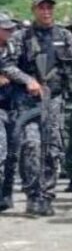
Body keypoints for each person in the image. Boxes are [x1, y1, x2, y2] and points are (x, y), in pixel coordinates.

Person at [1, 0, 72, 216]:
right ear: (34, 10)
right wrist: (28, 80)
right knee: (31, 145)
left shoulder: (65, 35)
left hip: (54, 99)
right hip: (28, 101)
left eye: (49, 7)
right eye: (41, 8)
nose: (46, 11)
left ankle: (47, 195)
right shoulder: (21, 37)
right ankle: (33, 193)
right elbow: (6, 65)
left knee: (53, 148)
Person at [0, 12, 17, 212]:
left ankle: (7, 193)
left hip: (15, 106)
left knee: (14, 153)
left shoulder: (14, 48)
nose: (10, 32)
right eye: (5, 29)